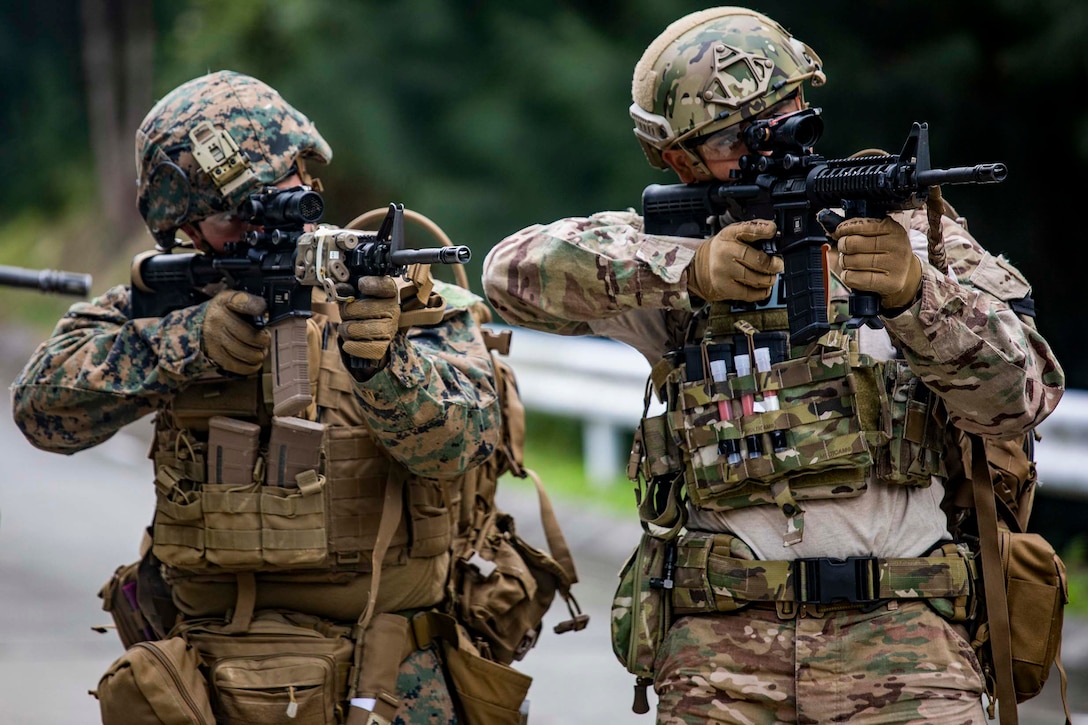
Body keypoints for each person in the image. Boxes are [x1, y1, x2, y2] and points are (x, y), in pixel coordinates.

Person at [482, 7, 1065, 723]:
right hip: (722, 656)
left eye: (785, 113)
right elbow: (510, 274)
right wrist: (688, 268)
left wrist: (919, 295)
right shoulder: (676, 251)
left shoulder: (915, 237)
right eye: (732, 136)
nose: (768, 139)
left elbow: (1025, 396)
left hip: (905, 647)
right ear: (679, 159)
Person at [11, 70, 503, 723]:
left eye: (287, 191)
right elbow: (41, 407)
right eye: (230, 218)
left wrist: (383, 365)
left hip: (389, 673)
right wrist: (185, 343)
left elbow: (463, 442)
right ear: (188, 232)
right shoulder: (172, 302)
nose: (265, 224)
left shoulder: (405, 303)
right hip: (210, 676)